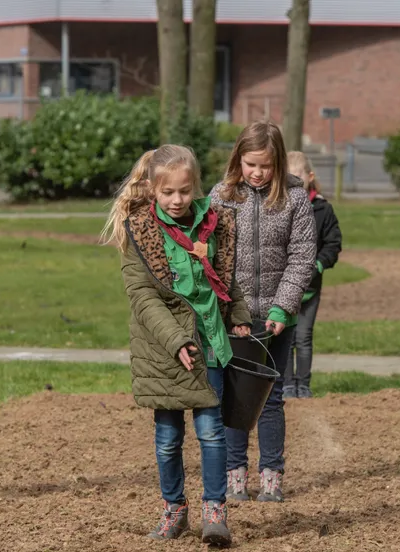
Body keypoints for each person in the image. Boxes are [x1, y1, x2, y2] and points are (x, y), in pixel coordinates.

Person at [102, 144, 252, 545]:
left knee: (211, 434)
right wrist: (175, 341)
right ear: (153, 188)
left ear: (195, 186)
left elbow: (224, 276)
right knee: (168, 439)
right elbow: (143, 296)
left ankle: (214, 512)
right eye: (168, 192)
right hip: (164, 350)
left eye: (185, 191)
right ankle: (174, 510)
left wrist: (238, 316)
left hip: (209, 343)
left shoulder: (216, 223)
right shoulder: (139, 230)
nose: (177, 200)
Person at [209, 121, 317, 503]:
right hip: (235, 318)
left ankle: (271, 475)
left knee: (271, 399)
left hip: (275, 318)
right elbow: (214, 257)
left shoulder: (294, 198)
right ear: (238, 159)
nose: (257, 173)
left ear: (279, 163)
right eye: (250, 164)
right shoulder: (221, 197)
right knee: (236, 398)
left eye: (266, 166)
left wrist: (282, 307)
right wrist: (231, 311)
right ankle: (234, 474)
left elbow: (303, 255)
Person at [282, 152, 342, 399]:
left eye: (297, 177)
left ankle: (302, 384)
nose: (293, 182)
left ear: (309, 176)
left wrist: (319, 263)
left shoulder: (323, 209)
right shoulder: (277, 208)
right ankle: (286, 384)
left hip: (310, 288)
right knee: (285, 337)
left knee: (303, 337)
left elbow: (333, 243)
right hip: (284, 287)